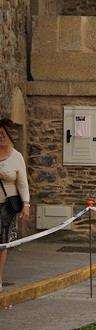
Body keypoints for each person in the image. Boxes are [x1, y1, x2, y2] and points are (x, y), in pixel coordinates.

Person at [0, 119, 30, 290]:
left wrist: (26, 204)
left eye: (3, 134)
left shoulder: (16, 156)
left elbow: (23, 183)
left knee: (2, 242)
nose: (1, 137)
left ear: (10, 136)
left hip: (7, 207)